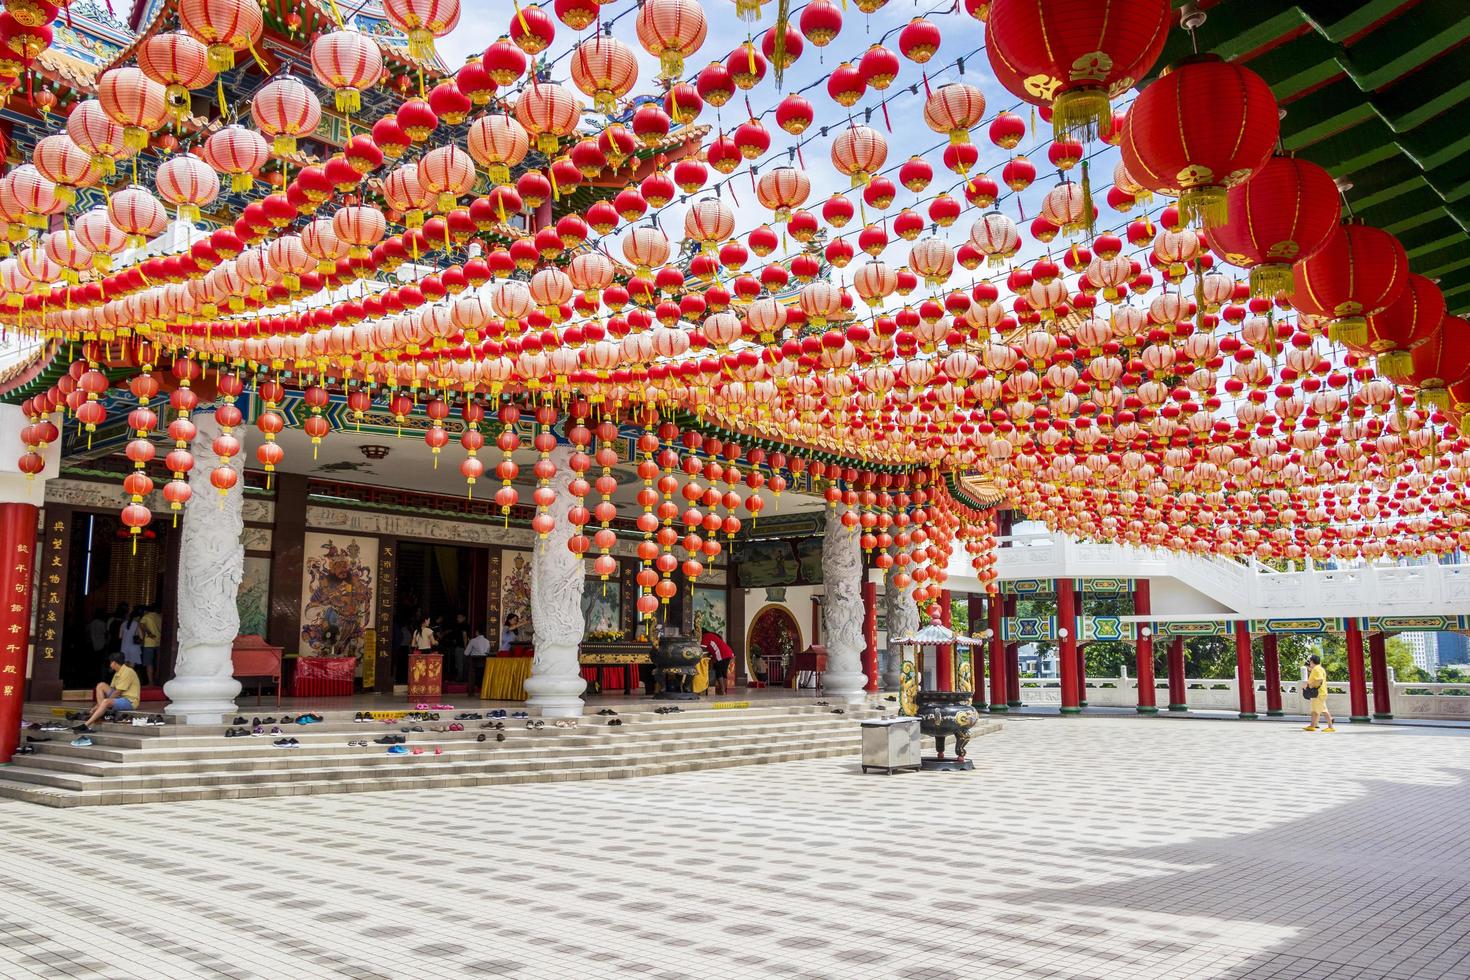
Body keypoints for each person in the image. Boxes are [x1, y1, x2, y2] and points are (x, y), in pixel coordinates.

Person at [75, 654, 142, 731]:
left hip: (129, 701)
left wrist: (102, 704)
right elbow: (112, 689)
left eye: (110, 662)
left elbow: (118, 692)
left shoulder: (128, 672)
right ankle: (100, 713)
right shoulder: (117, 672)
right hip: (120, 698)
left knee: (106, 702)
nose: (110, 665)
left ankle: (86, 725)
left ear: (114, 663)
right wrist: (98, 705)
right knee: (100, 685)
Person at [1303, 654, 1335, 732]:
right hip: (1318, 693)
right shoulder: (1318, 668)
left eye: (1310, 661)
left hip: (1318, 693)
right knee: (1314, 710)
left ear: (1312, 661)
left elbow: (1319, 680)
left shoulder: (1317, 669)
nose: (1309, 662)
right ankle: (1312, 726)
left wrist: (1310, 686)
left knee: (1324, 710)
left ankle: (1330, 727)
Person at [701, 628, 735, 696]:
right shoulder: (711, 635)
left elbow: (702, 649)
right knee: (724, 672)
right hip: (728, 653)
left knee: (719, 672)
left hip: (721, 654)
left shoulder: (705, 636)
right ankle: (724, 691)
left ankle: (722, 691)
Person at [137, 604, 162, 686]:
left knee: (149, 663)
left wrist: (149, 633)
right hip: (159, 642)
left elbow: (142, 625)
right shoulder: (160, 616)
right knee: (157, 663)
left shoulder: (146, 617)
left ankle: (151, 682)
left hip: (149, 643)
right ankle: (158, 679)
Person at [465, 629, 491, 695]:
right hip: (484, 662)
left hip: (474, 662)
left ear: (477, 632)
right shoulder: (487, 641)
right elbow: (487, 652)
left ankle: (471, 691)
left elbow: (466, 653)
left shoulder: (473, 640)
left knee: (471, 672)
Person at [119, 607, 143, 673]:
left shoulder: (123, 624)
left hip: (124, 648)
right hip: (134, 648)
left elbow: (120, 636)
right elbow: (141, 637)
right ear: (137, 617)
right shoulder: (137, 624)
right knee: (131, 669)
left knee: (125, 668)